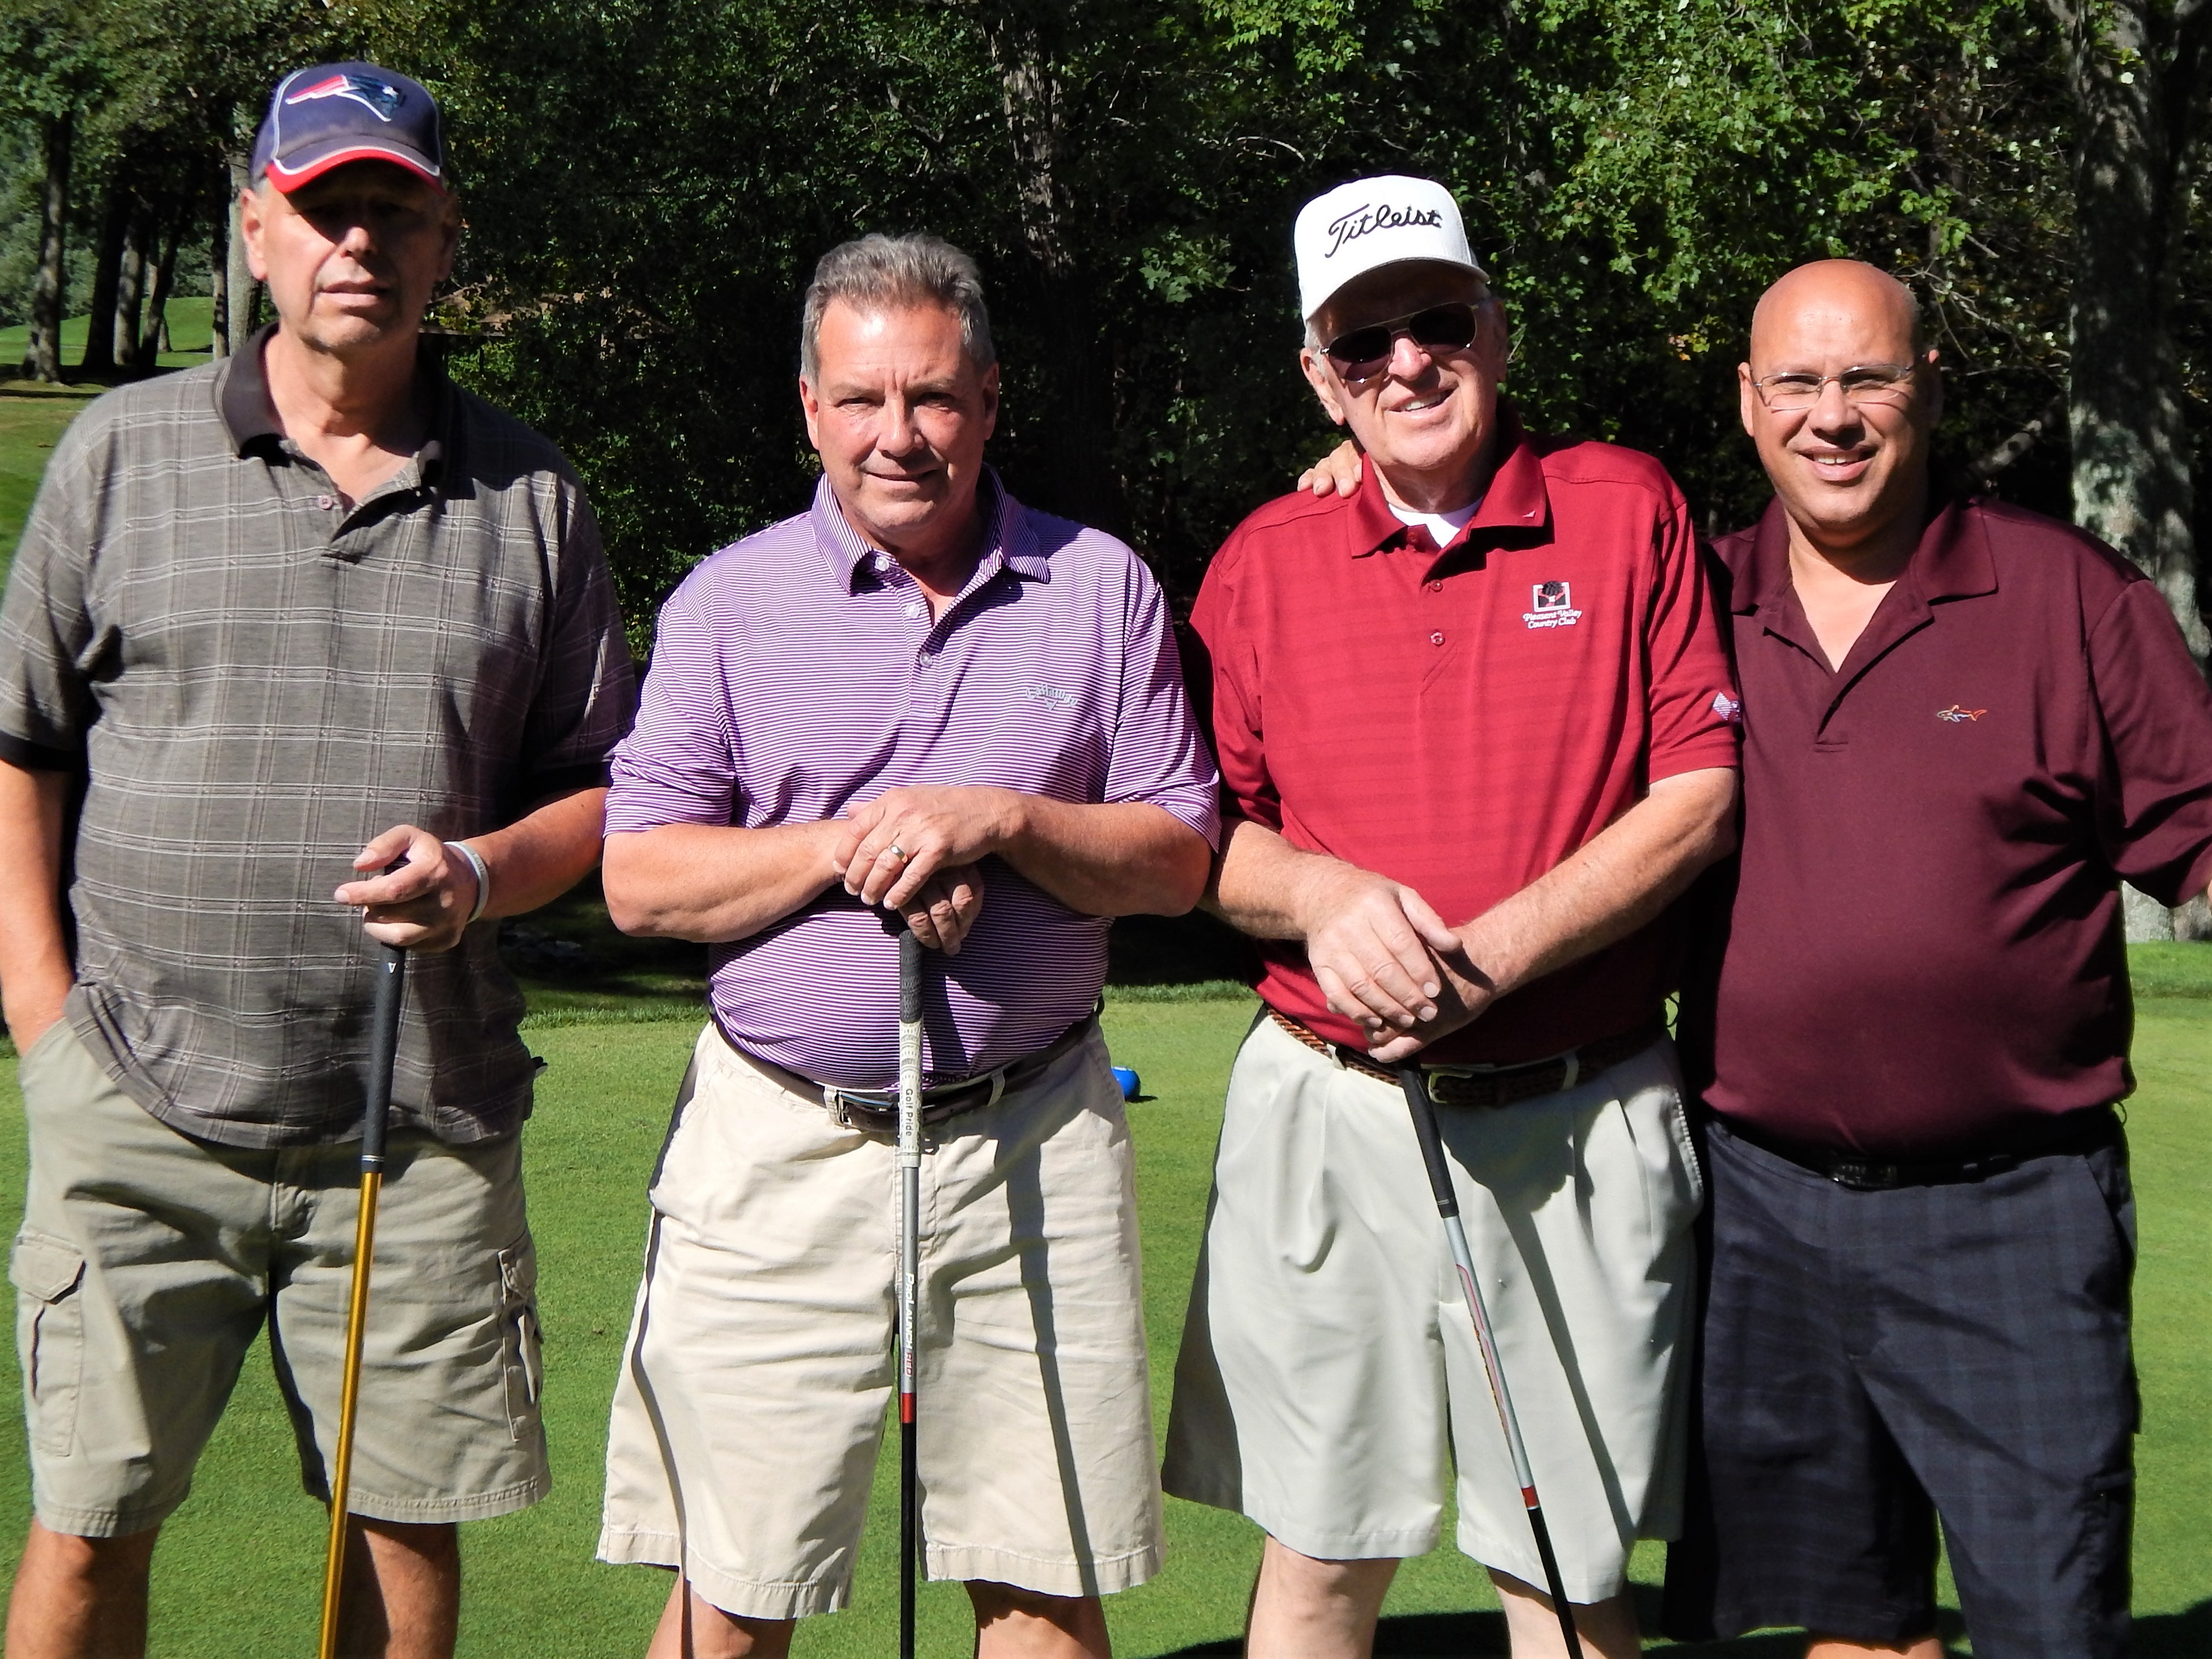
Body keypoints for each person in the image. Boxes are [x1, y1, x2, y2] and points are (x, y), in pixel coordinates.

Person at [0, 64, 634, 1659]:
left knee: (399, 1546)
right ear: (257, 233)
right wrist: (44, 1025)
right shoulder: (121, 456)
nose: (359, 239)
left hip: (415, 1132)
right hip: (136, 1104)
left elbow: (609, 795)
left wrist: (482, 871)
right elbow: (21, 750)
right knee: (85, 1540)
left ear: (444, 238)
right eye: (323, 208)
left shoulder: (534, 496)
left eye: (393, 209)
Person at [593, 231, 1219, 1659]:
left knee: (1043, 1582)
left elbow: (1177, 856)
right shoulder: (730, 602)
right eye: (862, 400)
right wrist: (854, 846)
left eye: (933, 396)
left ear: (991, 399)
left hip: (1032, 1143)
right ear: (809, 407)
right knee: (733, 1588)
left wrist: (1000, 822)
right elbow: (641, 881)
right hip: (779, 1149)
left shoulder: (1101, 584)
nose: (900, 436)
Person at [1160, 174, 1743, 1659]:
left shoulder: (1629, 508)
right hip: (1331, 1112)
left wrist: (1486, 961)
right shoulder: (1258, 564)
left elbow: (1696, 793)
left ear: (1495, 326)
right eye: (1362, 346)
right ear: (1317, 375)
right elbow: (1195, 841)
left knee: (1568, 1568)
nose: (1406, 364)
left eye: (1434, 321)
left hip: (1576, 1106)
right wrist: (1322, 893)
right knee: (1319, 1561)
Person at [1651, 259, 2212, 1659]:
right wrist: (1360, 475)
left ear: (1928, 387)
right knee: (1838, 1627)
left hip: (2011, 1206)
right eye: (1799, 381)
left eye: (1868, 378)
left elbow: (2199, 838)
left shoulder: (2070, 598)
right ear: (1746, 401)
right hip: (1762, 1207)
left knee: (2048, 1617)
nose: (1832, 417)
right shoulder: (1692, 602)